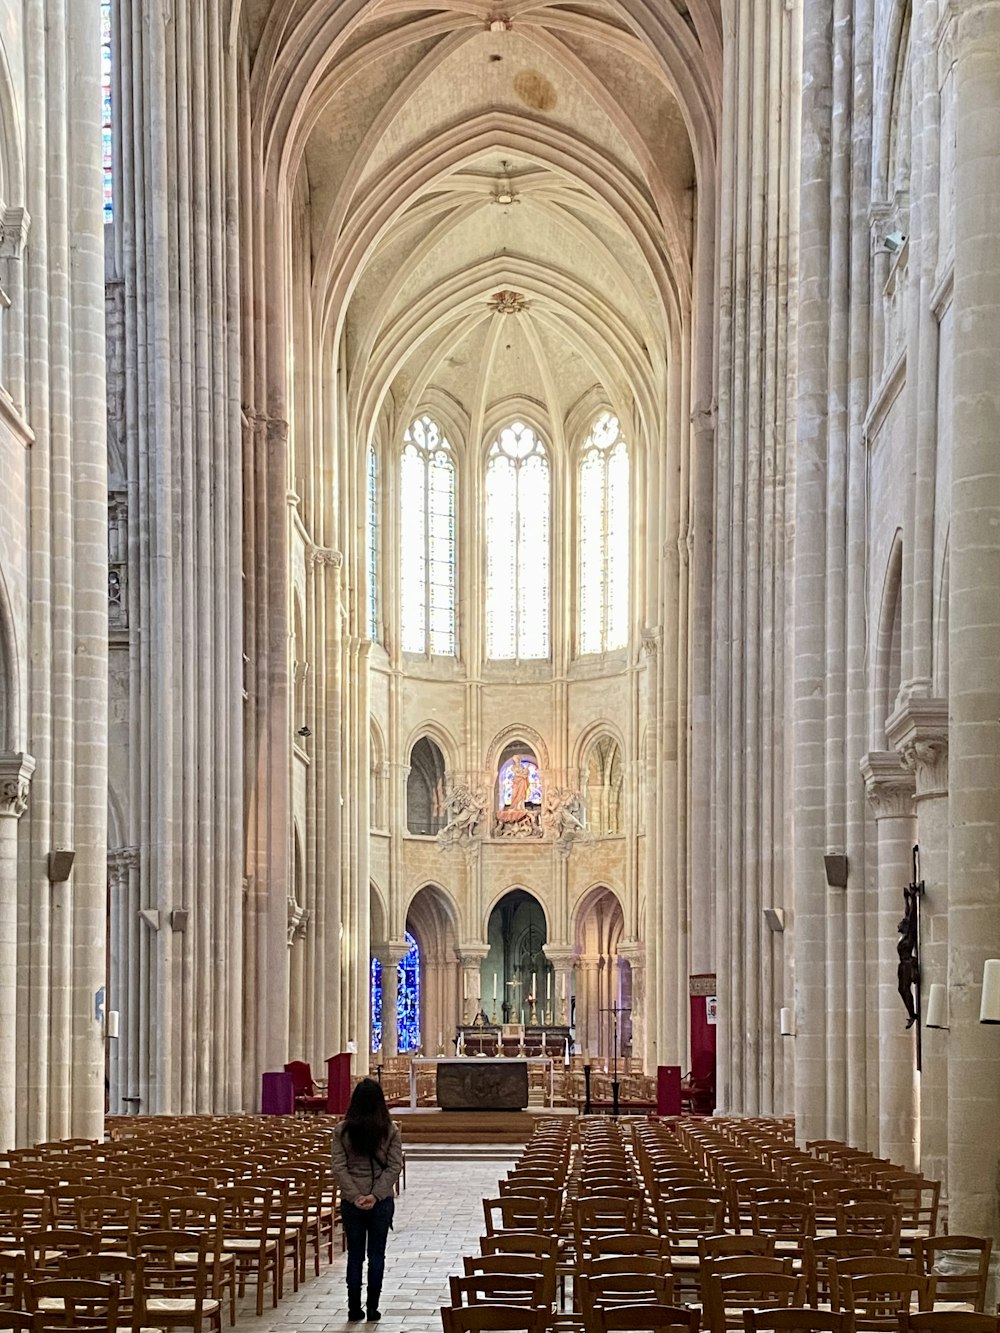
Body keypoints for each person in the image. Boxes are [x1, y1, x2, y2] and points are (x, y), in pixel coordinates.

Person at [331, 1078, 403, 1322]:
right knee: (376, 1255)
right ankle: (372, 1307)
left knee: (355, 1255)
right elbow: (394, 1167)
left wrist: (355, 1196)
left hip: (353, 1203)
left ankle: (353, 1308)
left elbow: (339, 1168)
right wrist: (375, 1195)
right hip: (380, 1202)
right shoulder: (389, 1129)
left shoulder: (342, 1130)